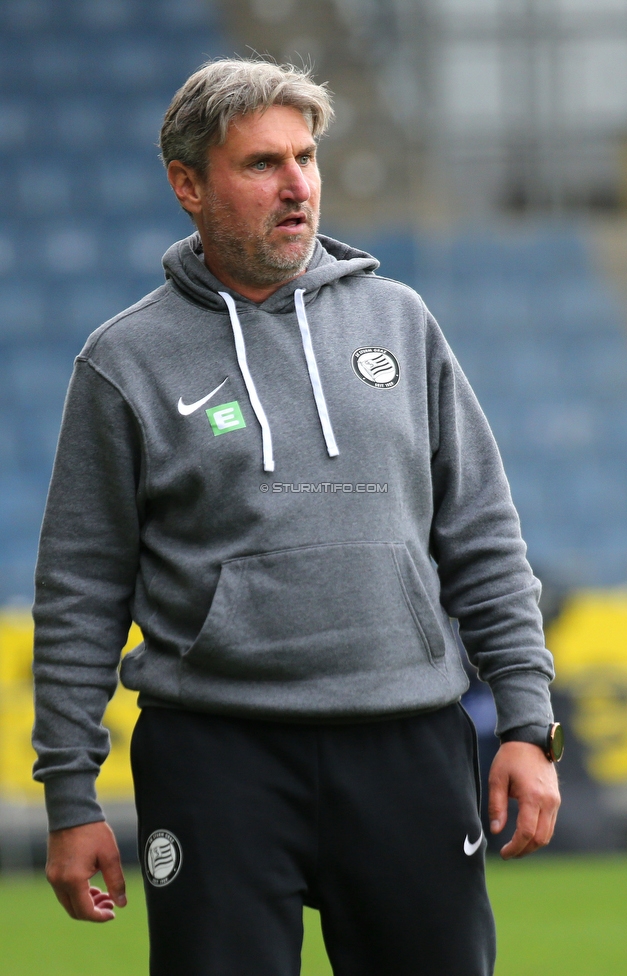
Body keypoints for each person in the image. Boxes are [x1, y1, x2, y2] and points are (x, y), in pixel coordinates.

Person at [33, 58, 561, 976]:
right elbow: (80, 591)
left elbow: (482, 539)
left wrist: (526, 723)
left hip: (409, 744)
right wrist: (71, 797)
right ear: (187, 185)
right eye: (261, 164)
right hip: (216, 758)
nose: (296, 187)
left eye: (306, 157)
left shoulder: (402, 323)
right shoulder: (123, 361)